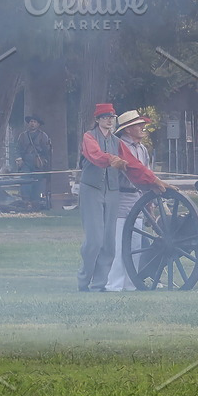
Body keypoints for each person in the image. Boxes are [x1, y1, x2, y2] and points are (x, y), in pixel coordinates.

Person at [105, 110, 165, 291]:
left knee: (136, 245)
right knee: (119, 245)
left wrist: (150, 204)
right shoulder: (119, 146)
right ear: (128, 129)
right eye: (139, 124)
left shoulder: (142, 149)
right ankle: (114, 285)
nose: (142, 127)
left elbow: (146, 174)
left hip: (137, 198)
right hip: (121, 198)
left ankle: (131, 284)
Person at [77, 103, 125, 291]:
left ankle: (99, 285)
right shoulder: (89, 137)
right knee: (94, 240)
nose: (109, 120)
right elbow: (95, 155)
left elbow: (130, 163)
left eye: (111, 117)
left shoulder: (117, 142)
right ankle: (84, 280)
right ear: (97, 120)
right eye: (105, 117)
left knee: (108, 242)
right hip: (91, 190)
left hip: (112, 190)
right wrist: (113, 160)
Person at [14, 115, 53, 210]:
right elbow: (18, 148)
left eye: (35, 122)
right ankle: (26, 203)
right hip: (25, 162)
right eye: (31, 121)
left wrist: (44, 161)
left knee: (37, 183)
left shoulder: (43, 136)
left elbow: (47, 151)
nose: (32, 123)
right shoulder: (22, 136)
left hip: (38, 163)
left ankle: (36, 204)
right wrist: (19, 158)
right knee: (25, 182)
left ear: (38, 124)